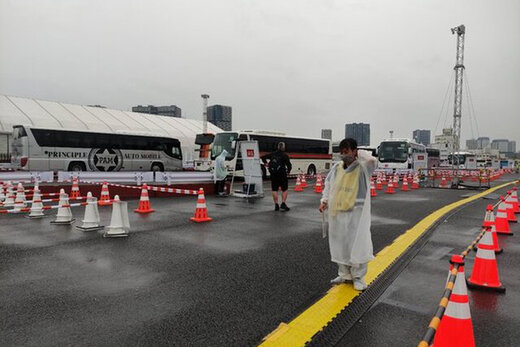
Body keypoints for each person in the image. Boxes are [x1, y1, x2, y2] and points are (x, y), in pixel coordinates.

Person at [318, 138, 377, 291]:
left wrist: (360, 154)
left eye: (347, 152)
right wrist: (324, 200)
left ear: (354, 151)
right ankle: (344, 274)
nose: (344, 155)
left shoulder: (363, 167)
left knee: (356, 244)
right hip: (337, 212)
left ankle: (358, 277)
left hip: (355, 213)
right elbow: (328, 185)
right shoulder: (337, 168)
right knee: (340, 245)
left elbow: (372, 161)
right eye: (342, 152)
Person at [262, 142, 292, 211]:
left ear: (278, 147)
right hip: (282, 174)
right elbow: (289, 165)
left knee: (274, 189)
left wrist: (266, 163)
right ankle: (283, 203)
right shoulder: (285, 155)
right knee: (284, 189)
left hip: (273, 174)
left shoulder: (273, 154)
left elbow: (263, 157)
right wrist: (288, 171)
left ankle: (276, 205)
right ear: (283, 147)